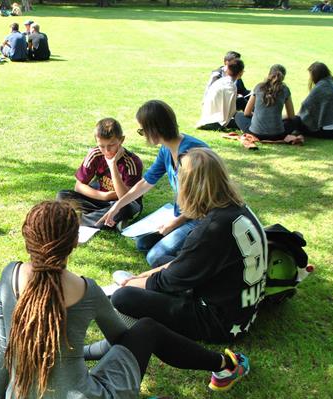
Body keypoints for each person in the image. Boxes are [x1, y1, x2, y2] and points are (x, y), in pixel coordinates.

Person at [0, 201, 251, 399]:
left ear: (26, 239)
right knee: (147, 329)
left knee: (122, 347)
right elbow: (123, 342)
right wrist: (80, 353)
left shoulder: (10, 276)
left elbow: (7, 346)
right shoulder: (86, 289)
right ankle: (225, 367)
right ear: (73, 243)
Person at [108, 148, 267, 343]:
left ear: (191, 186)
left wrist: (130, 284)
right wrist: (141, 276)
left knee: (123, 297)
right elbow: (182, 263)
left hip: (219, 321)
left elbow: (166, 281)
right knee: (162, 261)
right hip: (241, 304)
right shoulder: (238, 208)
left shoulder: (212, 229)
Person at [97, 100, 208, 267]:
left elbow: (202, 203)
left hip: (200, 218)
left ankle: (198, 255)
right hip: (182, 213)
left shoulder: (193, 154)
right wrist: (117, 206)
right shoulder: (166, 149)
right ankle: (189, 246)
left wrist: (174, 223)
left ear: (154, 130)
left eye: (142, 131)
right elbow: (146, 182)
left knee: (155, 257)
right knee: (142, 243)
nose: (143, 135)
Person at [57, 118, 143, 228]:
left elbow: (125, 197)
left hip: (125, 203)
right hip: (101, 198)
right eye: (102, 146)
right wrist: (105, 196)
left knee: (124, 208)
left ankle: (81, 220)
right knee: (63, 195)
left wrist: (113, 165)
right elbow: (78, 186)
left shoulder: (132, 162)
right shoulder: (95, 154)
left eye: (111, 145)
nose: (107, 150)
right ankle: (110, 221)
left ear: (121, 140)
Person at [284, 62, 333, 139]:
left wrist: (292, 118)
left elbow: (306, 107)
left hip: (330, 133)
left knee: (295, 121)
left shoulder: (321, 87)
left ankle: (276, 131)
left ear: (315, 75)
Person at [234, 64, 295, 140]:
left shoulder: (259, 87)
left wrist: (257, 116)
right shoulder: (285, 89)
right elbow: (291, 116)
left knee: (238, 115)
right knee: (296, 120)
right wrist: (278, 118)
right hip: (278, 135)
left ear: (269, 74)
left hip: (256, 133)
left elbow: (247, 113)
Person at [197, 58, 245, 130]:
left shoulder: (221, 81)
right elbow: (230, 113)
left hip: (207, 117)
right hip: (218, 120)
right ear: (241, 72)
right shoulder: (231, 86)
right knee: (246, 119)